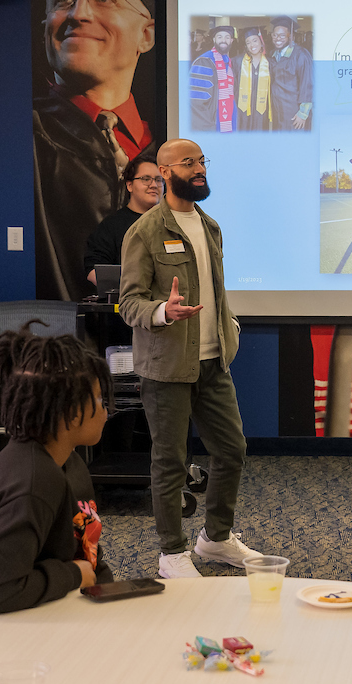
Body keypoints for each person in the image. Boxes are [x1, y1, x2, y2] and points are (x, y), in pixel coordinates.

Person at [119, 138, 263, 578]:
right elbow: (129, 304)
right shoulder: (144, 231)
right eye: (188, 162)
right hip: (166, 368)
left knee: (232, 449)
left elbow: (216, 292)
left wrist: (229, 327)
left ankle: (216, 538)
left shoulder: (210, 226)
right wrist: (164, 311)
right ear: (164, 172)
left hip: (213, 363)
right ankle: (171, 552)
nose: (199, 169)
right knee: (170, 461)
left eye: (202, 161)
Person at [0, 329, 114, 614]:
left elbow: (86, 552)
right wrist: (72, 575)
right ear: (72, 412)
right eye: (100, 400)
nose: (106, 409)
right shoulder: (35, 482)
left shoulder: (67, 464)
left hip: (47, 609)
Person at [34, 0, 158, 301]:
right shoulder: (23, 138)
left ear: (146, 35)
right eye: (63, 2)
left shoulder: (167, 146)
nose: (79, 14)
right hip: (60, 337)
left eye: (106, 1)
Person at [82, 155, 164, 288]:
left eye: (159, 180)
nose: (154, 185)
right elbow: (94, 273)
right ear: (129, 185)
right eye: (146, 179)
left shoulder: (171, 224)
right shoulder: (111, 226)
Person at [269, 16, 312, 132]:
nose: (278, 38)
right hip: (278, 112)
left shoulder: (301, 55)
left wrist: (303, 113)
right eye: (275, 35)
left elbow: (308, 85)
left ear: (291, 36)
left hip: (294, 114)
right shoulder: (274, 55)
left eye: (282, 35)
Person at [190, 26, 237, 132]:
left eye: (227, 37)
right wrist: (207, 128)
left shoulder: (229, 63)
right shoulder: (204, 62)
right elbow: (197, 101)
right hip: (210, 125)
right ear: (214, 39)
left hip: (227, 122)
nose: (223, 40)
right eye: (219, 37)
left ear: (231, 41)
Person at [233, 27, 274, 132]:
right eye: (248, 42)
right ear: (246, 46)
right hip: (243, 110)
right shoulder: (237, 62)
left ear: (261, 41)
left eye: (255, 40)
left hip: (262, 110)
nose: (252, 45)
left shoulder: (271, 63)